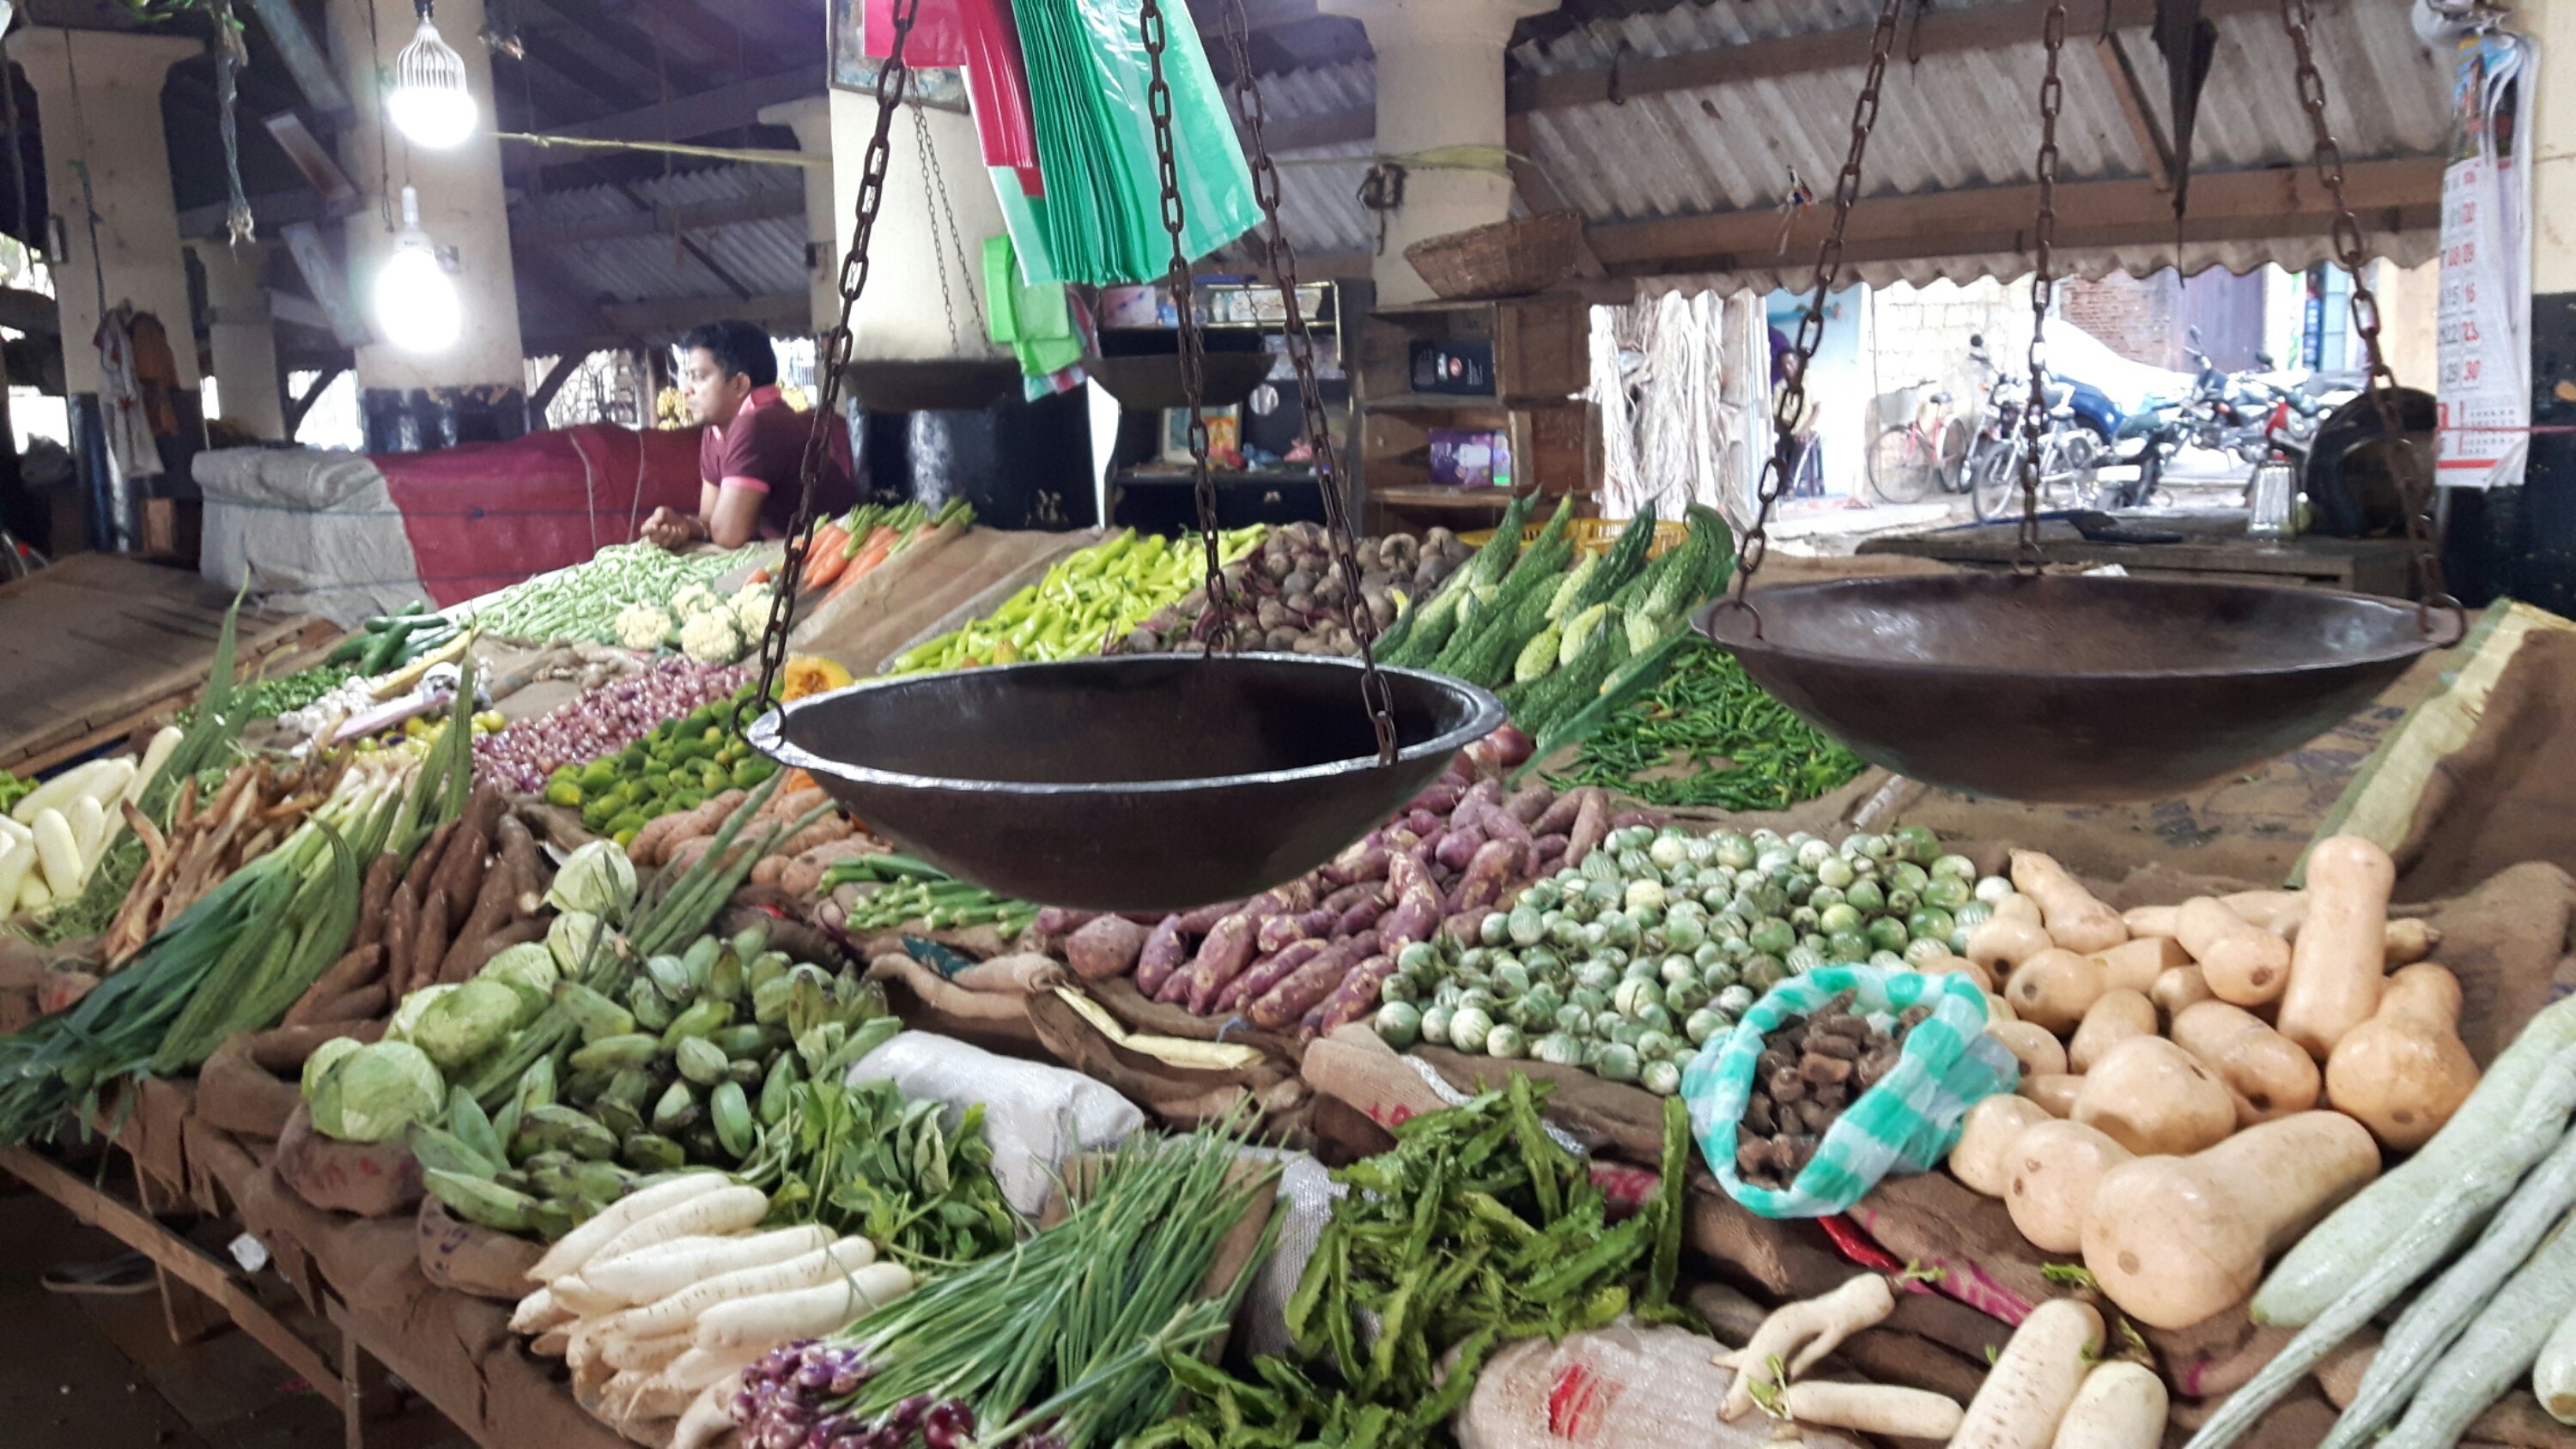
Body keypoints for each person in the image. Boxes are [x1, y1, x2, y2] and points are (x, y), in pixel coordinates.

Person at [641, 320, 857, 550]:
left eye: (699, 377)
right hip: (795, 550)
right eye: (689, 376)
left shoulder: (759, 423)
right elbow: (710, 522)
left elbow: (728, 535)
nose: (687, 389)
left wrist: (692, 525)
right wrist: (685, 525)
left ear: (740, 383)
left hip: (844, 548)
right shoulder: (716, 428)